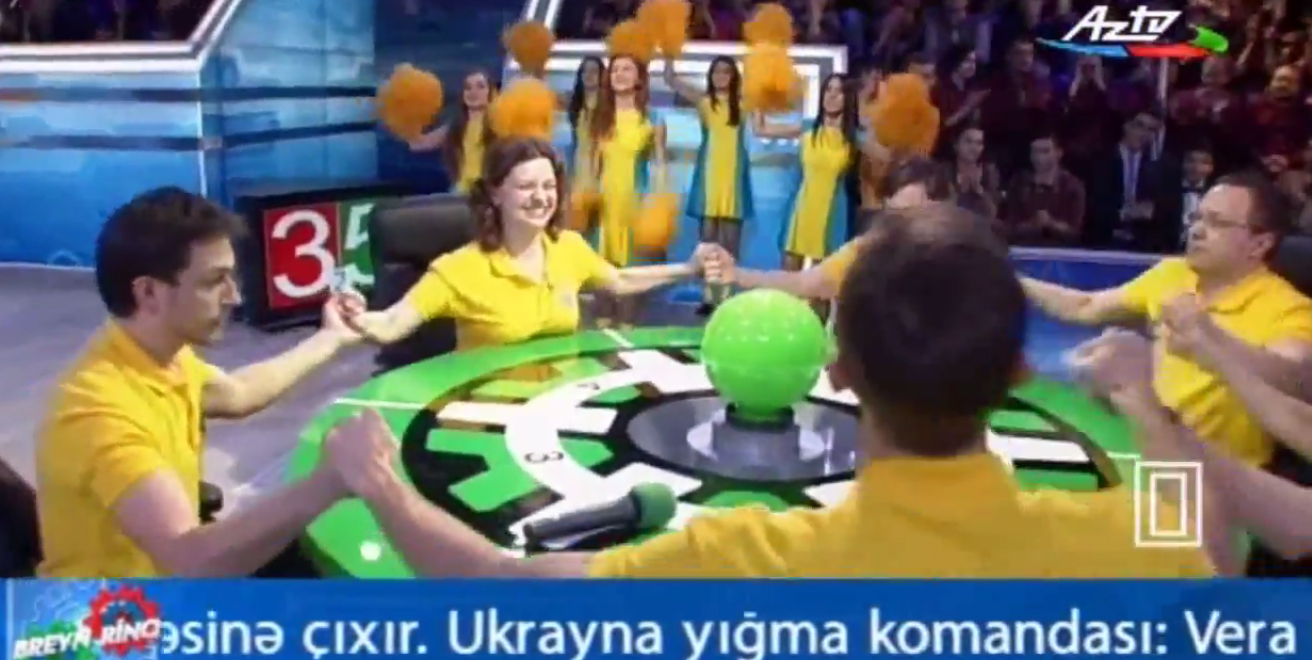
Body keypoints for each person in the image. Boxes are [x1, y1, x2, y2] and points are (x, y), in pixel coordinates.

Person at [317, 203, 1218, 577]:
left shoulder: (742, 555)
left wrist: (384, 488)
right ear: (1018, 373)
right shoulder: (1116, 540)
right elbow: (1207, 547)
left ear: (839, 369)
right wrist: (1147, 408)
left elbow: (504, 585)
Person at [36, 188, 363, 577]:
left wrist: (331, 338)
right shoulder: (99, 412)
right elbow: (191, 560)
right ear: (149, 292)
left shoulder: (156, 356)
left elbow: (237, 393)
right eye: (213, 281)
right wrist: (330, 480)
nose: (234, 296)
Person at [1020, 171, 1312, 468]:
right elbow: (1085, 306)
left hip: (1220, 476)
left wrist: (1210, 339)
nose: (1197, 231)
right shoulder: (1173, 274)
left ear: (1259, 244)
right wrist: (1010, 280)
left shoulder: (1289, 308)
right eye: (1196, 218)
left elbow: (1295, 381)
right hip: (1145, 451)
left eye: (1217, 223)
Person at [343, 137, 716, 350]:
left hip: (556, 406)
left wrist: (689, 269)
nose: (541, 198)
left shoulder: (569, 247)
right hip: (486, 414)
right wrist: (350, 317)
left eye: (548, 186)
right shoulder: (458, 269)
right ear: (495, 193)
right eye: (526, 187)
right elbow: (391, 323)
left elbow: (619, 280)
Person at [718, 156, 945, 302]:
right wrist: (737, 275)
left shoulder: (953, 261)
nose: (903, 225)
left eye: (915, 214)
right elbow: (805, 283)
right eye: (896, 214)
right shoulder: (866, 252)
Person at [663, 55, 753, 314]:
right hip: (709, 180)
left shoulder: (743, 105)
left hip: (733, 180)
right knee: (708, 245)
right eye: (716, 72)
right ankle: (709, 297)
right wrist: (668, 54)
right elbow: (671, 81)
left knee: (730, 245)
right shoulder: (705, 102)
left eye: (726, 72)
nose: (721, 76)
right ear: (710, 76)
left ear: (734, 77)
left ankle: (726, 299)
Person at [409, 70, 496, 193]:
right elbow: (417, 144)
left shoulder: (500, 124)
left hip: (488, 192)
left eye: (480, 86)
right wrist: (410, 116)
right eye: (467, 88)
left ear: (490, 92)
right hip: (460, 193)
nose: (473, 92)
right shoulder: (455, 126)